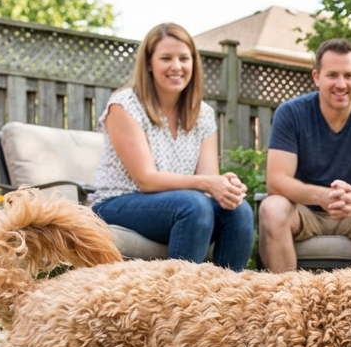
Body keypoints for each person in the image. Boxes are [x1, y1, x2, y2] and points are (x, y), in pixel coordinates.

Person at [91, 22, 254, 269]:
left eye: (184, 58)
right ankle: (178, 302)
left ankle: (227, 302)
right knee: (194, 205)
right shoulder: (124, 105)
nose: (176, 66)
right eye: (166, 58)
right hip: (118, 201)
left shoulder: (203, 113)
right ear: (149, 63)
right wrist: (206, 183)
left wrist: (223, 184)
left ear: (193, 63)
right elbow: (146, 179)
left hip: (179, 205)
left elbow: (208, 180)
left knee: (239, 210)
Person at [257, 38, 351, 271]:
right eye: (332, 75)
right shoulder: (291, 113)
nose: (341, 83)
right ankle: (286, 298)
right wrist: (322, 197)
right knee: (272, 207)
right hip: (304, 211)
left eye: (348, 75)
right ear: (316, 77)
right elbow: (276, 181)